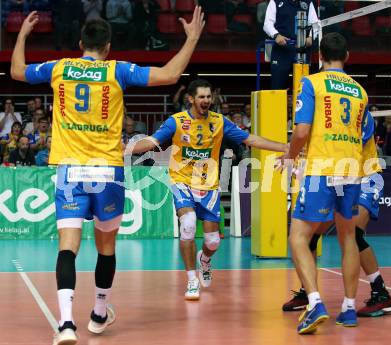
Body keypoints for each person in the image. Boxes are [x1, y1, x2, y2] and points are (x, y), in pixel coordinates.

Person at [11, 7, 205, 345]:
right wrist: (191, 39)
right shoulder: (118, 71)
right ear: (109, 47)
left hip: (71, 169)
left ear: (80, 43)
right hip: (108, 170)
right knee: (106, 248)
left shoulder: (59, 68)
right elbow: (170, 75)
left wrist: (23, 35)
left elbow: (15, 71)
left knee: (67, 248)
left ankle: (67, 324)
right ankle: (99, 313)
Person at [128, 78, 288, 301]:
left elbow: (250, 138)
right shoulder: (177, 121)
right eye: (201, 97)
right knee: (188, 224)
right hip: (181, 180)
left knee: (213, 241)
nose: (206, 100)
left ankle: (205, 259)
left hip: (209, 184)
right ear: (191, 99)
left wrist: (284, 146)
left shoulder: (220, 121)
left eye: (208, 96)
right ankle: (192, 280)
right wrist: (122, 149)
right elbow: (152, 141)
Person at [277, 32, 373, 334]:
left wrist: (291, 156)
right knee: (348, 238)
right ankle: (348, 308)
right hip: (352, 169)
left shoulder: (312, 83)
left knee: (298, 238)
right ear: (347, 57)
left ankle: (315, 301)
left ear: (320, 56)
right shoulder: (360, 91)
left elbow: (302, 130)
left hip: (322, 169)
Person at [283, 136, 391, 318]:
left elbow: (344, 146)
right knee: (310, 237)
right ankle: (308, 292)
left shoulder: (358, 115)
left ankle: (381, 293)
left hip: (366, 177)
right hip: (339, 174)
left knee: (354, 235)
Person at [263, 0, 318, 90]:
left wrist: (311, 37)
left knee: (302, 87)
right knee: (277, 86)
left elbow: (315, 24)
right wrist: (276, 35)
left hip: (302, 49)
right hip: (281, 49)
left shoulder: (308, 2)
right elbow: (267, 24)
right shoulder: (276, 1)